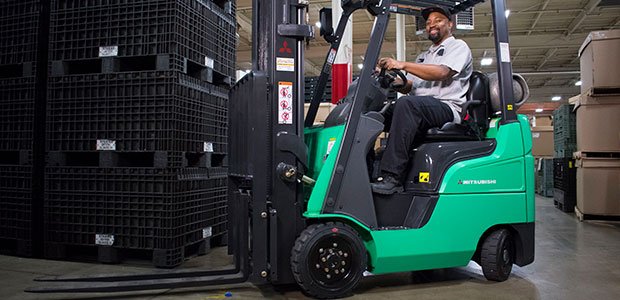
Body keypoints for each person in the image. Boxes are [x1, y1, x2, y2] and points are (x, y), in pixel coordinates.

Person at [371, 5, 473, 194]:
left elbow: (442, 72)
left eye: (438, 20)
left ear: (450, 24)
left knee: (406, 104)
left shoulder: (458, 46)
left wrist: (402, 63)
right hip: (423, 108)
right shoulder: (424, 57)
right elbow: (412, 86)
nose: (432, 25)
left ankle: (392, 176)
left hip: (447, 108)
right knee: (378, 114)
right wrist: (392, 80)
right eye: (428, 23)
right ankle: (366, 166)